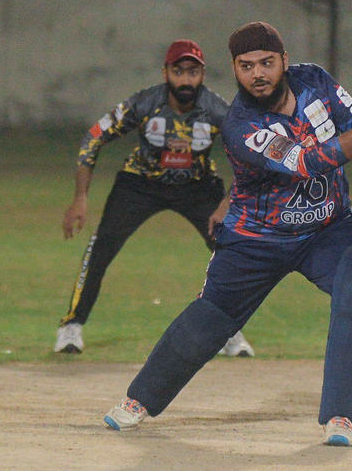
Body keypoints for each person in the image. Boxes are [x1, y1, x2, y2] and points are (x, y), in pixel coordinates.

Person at [103, 22, 352, 446]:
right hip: (255, 240)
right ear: (235, 69)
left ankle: (342, 416)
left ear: (284, 61)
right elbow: (307, 162)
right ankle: (139, 399)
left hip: (327, 230)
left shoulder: (315, 81)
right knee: (211, 318)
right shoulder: (241, 125)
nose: (258, 74)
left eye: (267, 63)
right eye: (246, 66)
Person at [54, 39, 254, 358]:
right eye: (178, 71)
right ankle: (71, 325)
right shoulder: (145, 103)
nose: (186, 80)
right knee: (101, 247)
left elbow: (250, 156)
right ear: (165, 73)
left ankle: (228, 330)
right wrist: (80, 198)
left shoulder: (218, 110)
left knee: (229, 251)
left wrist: (226, 202)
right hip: (140, 184)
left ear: (202, 75)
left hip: (198, 186)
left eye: (193, 72)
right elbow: (94, 137)